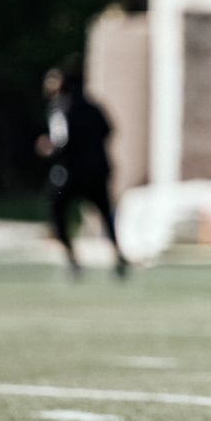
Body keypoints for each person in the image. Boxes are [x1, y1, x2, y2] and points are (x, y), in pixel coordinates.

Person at [35, 60, 129, 278]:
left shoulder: (60, 108)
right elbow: (109, 130)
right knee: (105, 213)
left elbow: (62, 140)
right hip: (97, 169)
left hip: (69, 173)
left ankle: (71, 258)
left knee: (56, 209)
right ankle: (117, 254)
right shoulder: (93, 106)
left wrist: (50, 148)